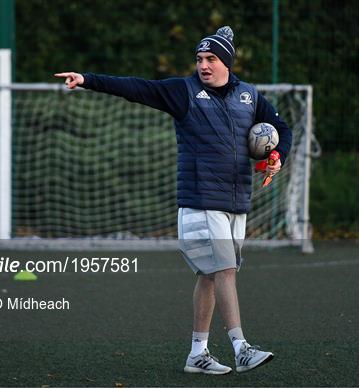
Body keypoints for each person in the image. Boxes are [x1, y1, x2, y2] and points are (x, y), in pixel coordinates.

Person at [55, 26, 292, 375]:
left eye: (211, 59)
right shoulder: (184, 92)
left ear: (226, 62)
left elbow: (281, 129)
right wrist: (88, 79)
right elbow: (137, 88)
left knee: (211, 275)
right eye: (199, 59)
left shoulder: (249, 97)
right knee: (224, 270)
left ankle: (197, 354)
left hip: (236, 200)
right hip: (200, 201)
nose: (203, 66)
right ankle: (241, 348)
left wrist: (277, 157)